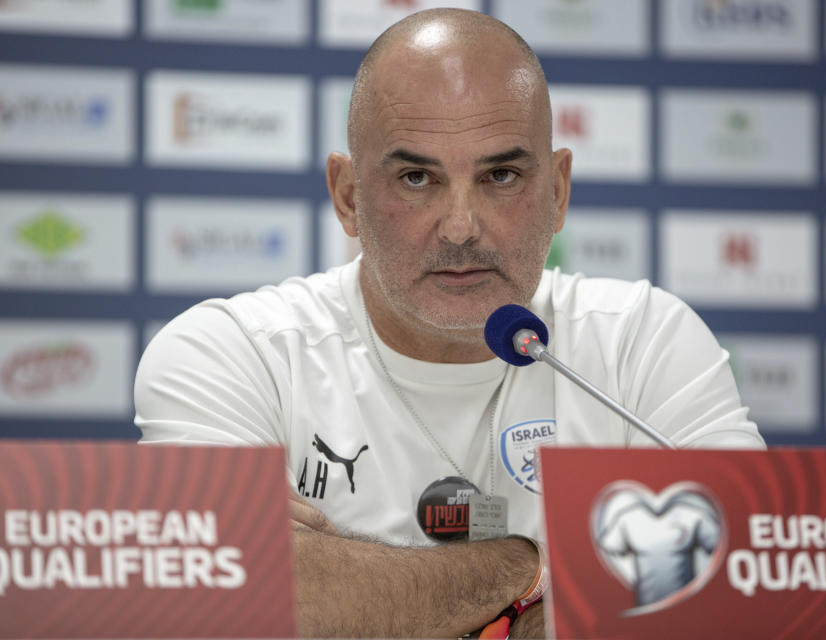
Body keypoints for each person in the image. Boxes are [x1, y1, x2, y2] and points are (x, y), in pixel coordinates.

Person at [134, 8, 765, 638]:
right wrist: (530, 570)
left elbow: (747, 588)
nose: (461, 226)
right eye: (417, 178)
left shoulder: (641, 341)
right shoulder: (234, 353)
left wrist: (348, 578)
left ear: (558, 192)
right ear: (348, 198)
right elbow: (228, 603)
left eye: (500, 176)